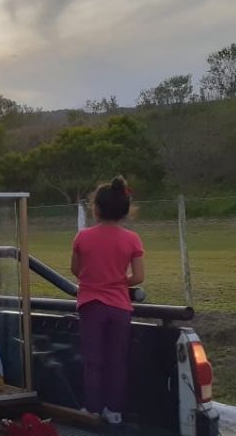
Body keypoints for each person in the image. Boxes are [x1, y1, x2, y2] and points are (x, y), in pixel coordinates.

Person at [71, 176, 144, 425]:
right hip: (120, 306)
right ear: (124, 210)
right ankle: (114, 411)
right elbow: (139, 277)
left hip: (91, 305)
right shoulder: (132, 239)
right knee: (117, 361)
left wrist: (96, 279)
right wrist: (119, 281)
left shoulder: (83, 237)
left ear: (97, 209)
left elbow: (76, 270)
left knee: (93, 361)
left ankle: (92, 408)